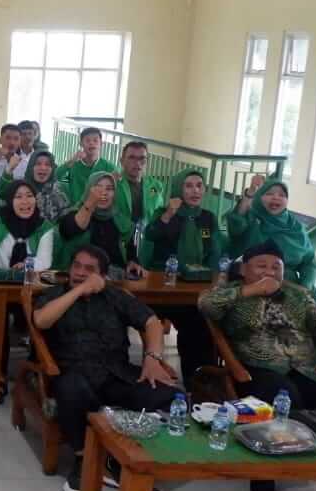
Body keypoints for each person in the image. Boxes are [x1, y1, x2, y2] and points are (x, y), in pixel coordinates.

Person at [199, 241, 316, 491]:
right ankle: (263, 479)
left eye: (276, 267)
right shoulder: (231, 293)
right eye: (261, 266)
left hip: (310, 370)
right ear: (244, 269)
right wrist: (252, 290)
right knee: (284, 398)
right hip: (258, 371)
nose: (270, 271)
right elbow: (206, 305)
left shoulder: (299, 295)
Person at [34, 245, 178, 491]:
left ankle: (122, 456)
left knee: (168, 395)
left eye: (88, 269)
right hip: (74, 371)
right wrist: (79, 290)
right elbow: (41, 320)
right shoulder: (54, 294)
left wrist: (152, 358)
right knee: (71, 389)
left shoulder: (115, 296)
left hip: (116, 373)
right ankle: (85, 459)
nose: (80, 272)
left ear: (102, 275)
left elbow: (151, 322)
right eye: (76, 266)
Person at [140, 168, 221, 378]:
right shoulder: (164, 212)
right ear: (178, 189)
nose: (195, 191)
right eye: (188, 186)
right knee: (152, 319)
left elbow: (215, 251)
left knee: (200, 327)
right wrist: (169, 214)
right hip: (162, 286)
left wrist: (210, 278)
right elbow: (151, 234)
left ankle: (199, 378)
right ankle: (153, 369)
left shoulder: (208, 218)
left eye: (199, 186)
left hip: (194, 286)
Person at [226, 175, 316, 292]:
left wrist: (306, 286)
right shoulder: (251, 219)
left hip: (291, 287)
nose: (276, 197)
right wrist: (251, 192)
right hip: (250, 284)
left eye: (282, 195)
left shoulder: (296, 227)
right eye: (269, 193)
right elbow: (236, 224)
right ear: (259, 197)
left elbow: (309, 262)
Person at [57, 171, 135, 272]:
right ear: (88, 190)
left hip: (115, 277)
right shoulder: (74, 215)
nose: (104, 192)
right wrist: (90, 202)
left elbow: (131, 254)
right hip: (81, 276)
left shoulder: (120, 220)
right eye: (98, 188)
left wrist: (133, 262)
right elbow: (70, 229)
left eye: (109, 189)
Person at [114, 141, 166, 264]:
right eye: (131, 158)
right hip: (119, 240)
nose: (137, 163)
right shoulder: (113, 184)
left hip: (147, 242)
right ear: (122, 161)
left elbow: (158, 215)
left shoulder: (155, 186)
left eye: (142, 158)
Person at [0, 150, 68, 222]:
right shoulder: (21, 186)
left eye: (47, 164)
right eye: (38, 164)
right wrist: (9, 169)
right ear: (31, 166)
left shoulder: (60, 190)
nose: (43, 168)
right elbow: (2, 193)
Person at [55, 126, 116, 204]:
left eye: (95, 140)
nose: (91, 143)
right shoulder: (74, 164)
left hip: (99, 208)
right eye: (87, 140)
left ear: (101, 144)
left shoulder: (108, 167)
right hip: (76, 208)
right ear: (81, 144)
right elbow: (56, 176)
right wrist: (71, 161)